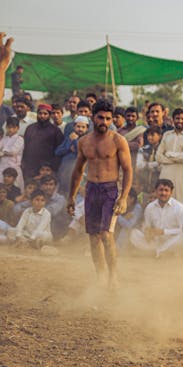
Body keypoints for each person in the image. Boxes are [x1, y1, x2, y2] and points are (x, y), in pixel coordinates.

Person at [68, 100, 133, 288]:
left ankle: (113, 277)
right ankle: (100, 276)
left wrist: (123, 197)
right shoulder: (84, 142)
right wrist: (71, 197)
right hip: (91, 190)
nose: (104, 121)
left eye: (108, 118)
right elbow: (78, 171)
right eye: (100, 117)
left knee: (106, 234)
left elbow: (128, 170)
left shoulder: (118, 140)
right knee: (93, 236)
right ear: (92, 117)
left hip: (110, 190)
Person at [129, 179, 183, 257]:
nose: (163, 193)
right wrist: (147, 233)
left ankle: (158, 253)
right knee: (134, 234)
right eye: (161, 190)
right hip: (156, 241)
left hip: (172, 240)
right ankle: (159, 253)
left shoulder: (180, 209)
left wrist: (164, 232)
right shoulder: (150, 207)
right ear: (156, 191)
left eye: (166, 190)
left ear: (171, 192)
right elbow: (147, 226)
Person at [156, 108, 183, 213]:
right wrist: (177, 158)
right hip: (166, 174)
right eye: (177, 118)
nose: (180, 121)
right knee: (165, 205)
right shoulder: (167, 135)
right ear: (173, 119)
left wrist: (169, 154)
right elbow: (158, 157)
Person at [21, 103, 64, 184]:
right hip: (30, 167)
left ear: (49, 115)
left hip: (46, 170)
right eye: (40, 113)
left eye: (45, 114)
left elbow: (59, 151)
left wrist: (52, 169)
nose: (42, 116)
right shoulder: (30, 128)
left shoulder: (55, 131)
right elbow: (25, 147)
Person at [55, 116, 89, 196]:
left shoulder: (88, 140)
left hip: (79, 175)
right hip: (65, 172)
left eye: (83, 127)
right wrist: (69, 147)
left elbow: (80, 153)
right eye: (78, 126)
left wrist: (74, 141)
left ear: (87, 128)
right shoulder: (69, 138)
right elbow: (58, 152)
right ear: (74, 127)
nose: (80, 129)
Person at [136, 127, 162, 193]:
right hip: (145, 182)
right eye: (148, 135)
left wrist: (146, 165)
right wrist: (154, 164)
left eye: (152, 135)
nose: (149, 137)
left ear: (160, 136)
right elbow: (139, 165)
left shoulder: (163, 150)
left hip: (159, 182)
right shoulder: (143, 149)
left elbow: (162, 166)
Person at [0, 117, 24, 188]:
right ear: (6, 127)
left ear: (18, 128)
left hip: (13, 167)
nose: (11, 129)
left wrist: (2, 153)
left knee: (14, 188)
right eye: (9, 127)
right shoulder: (4, 139)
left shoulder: (19, 139)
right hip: (2, 167)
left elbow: (13, 152)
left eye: (13, 127)